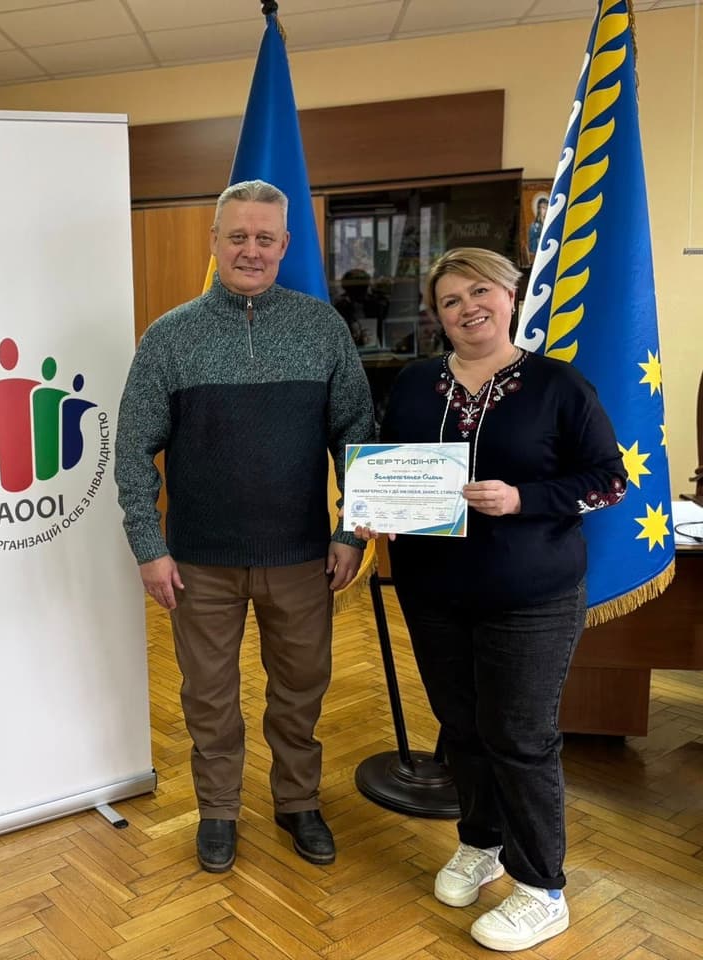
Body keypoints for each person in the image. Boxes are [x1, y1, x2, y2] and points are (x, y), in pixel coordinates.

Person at [355, 248, 626, 952]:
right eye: (449, 300)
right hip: (434, 590)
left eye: (480, 290)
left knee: (520, 737)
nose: (467, 307)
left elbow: (608, 481)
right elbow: (394, 469)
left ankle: (542, 887)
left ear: (511, 296)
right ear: (435, 314)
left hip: (530, 593)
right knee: (462, 728)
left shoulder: (558, 385)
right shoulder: (415, 383)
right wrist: (376, 505)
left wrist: (524, 499)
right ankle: (480, 841)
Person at [115, 179, 374, 873]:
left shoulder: (322, 329)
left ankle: (297, 802)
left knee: (302, 689)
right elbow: (133, 445)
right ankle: (219, 812)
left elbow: (357, 434)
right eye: (238, 236)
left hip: (301, 557)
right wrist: (149, 545)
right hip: (199, 561)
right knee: (207, 698)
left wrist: (352, 531)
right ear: (216, 241)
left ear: (285, 246)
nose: (251, 250)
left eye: (265, 238)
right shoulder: (169, 337)